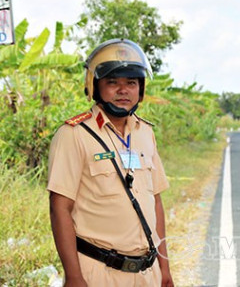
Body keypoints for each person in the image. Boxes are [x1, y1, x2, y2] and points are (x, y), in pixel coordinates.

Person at [48, 39, 174, 286]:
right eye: (112, 82)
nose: (123, 90)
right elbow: (59, 208)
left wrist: (164, 267)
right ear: (95, 87)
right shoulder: (74, 135)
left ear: (141, 88)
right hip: (97, 272)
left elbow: (155, 201)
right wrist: (74, 277)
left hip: (148, 272)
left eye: (131, 82)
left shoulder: (145, 133)